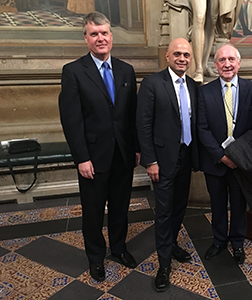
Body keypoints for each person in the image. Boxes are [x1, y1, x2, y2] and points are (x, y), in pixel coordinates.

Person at [58, 11, 140, 282]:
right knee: (93, 213)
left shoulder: (126, 70)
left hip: (123, 156)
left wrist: (137, 148)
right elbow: (72, 121)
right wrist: (81, 157)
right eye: (94, 34)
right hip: (93, 157)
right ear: (86, 38)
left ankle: (118, 248)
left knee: (120, 207)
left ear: (111, 36)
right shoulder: (73, 72)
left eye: (104, 33)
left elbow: (131, 116)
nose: (100, 38)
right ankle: (95, 258)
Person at [136, 38, 199, 292]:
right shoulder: (152, 84)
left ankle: (171, 244)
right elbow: (143, 125)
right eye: (177, 54)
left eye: (186, 54)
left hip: (185, 158)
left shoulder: (193, 86)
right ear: (167, 57)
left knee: (179, 207)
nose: (182, 58)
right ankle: (163, 265)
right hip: (161, 162)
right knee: (163, 213)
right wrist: (150, 161)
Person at [197, 44, 252, 265]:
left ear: (238, 62)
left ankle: (237, 242)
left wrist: (238, 154)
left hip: (241, 162)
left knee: (238, 204)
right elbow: (202, 128)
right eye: (221, 60)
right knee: (217, 204)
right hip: (215, 162)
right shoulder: (204, 92)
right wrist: (221, 155)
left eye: (231, 59)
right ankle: (218, 240)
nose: (227, 64)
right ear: (215, 65)